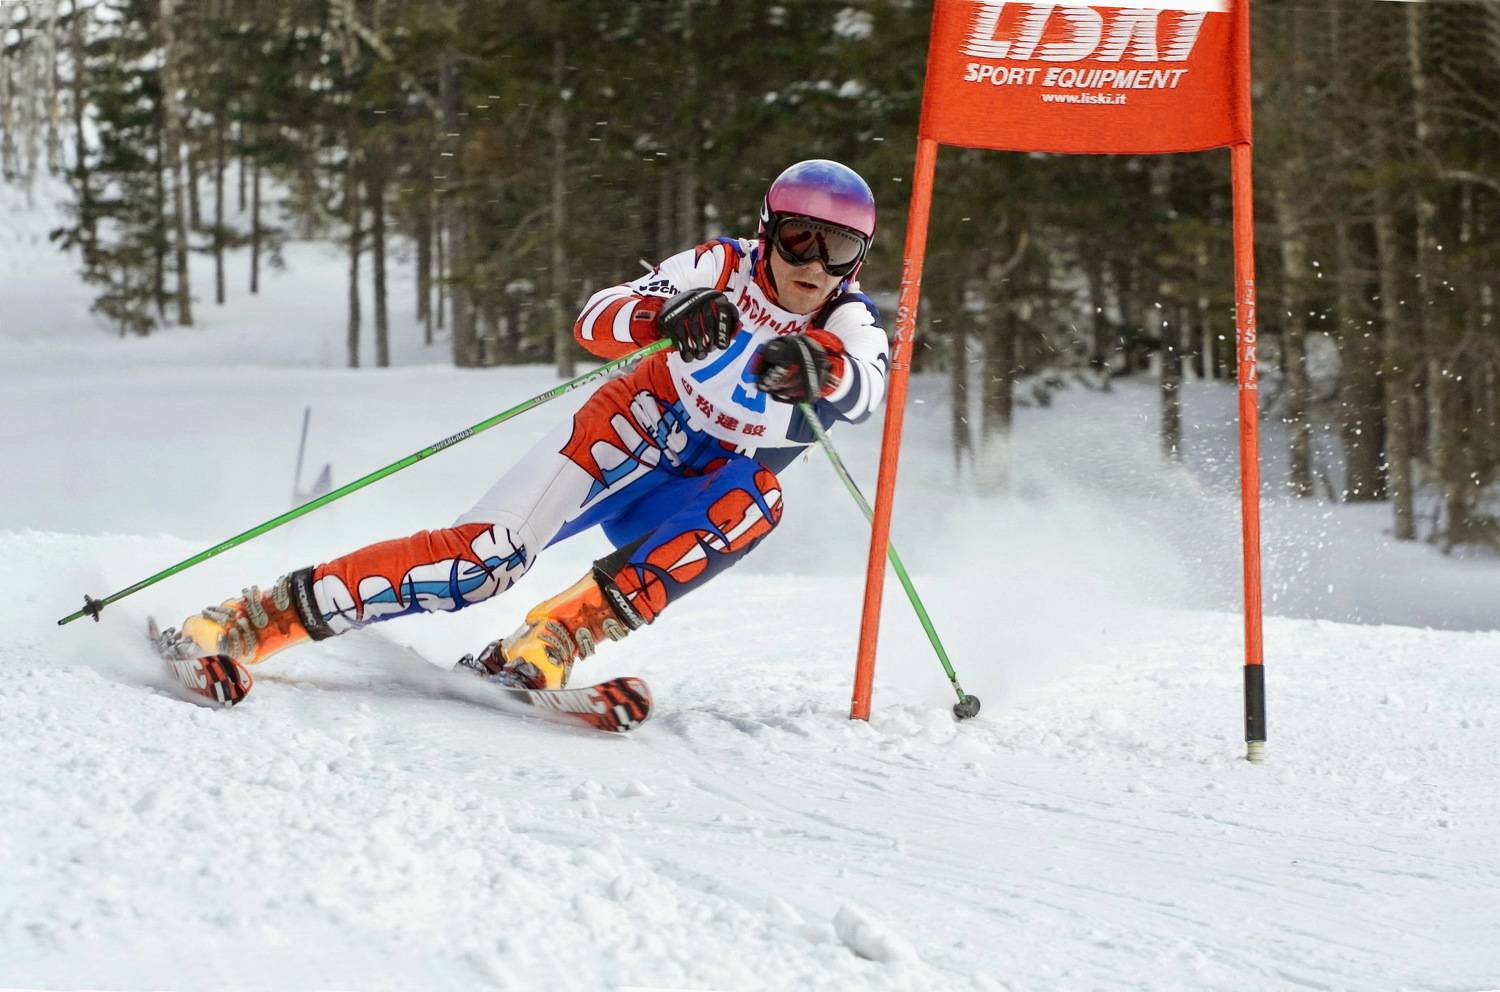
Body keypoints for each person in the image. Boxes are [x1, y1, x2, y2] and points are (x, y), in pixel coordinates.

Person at [155, 159, 888, 702]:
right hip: (630, 430)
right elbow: (596, 318)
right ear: (767, 232)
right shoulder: (720, 267)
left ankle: (551, 641)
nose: (814, 264)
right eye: (799, 238)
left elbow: (867, 388)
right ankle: (252, 619)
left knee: (755, 503)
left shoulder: (847, 319)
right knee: (481, 564)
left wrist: (821, 371)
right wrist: (659, 317)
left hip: (704, 479)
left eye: (839, 249)